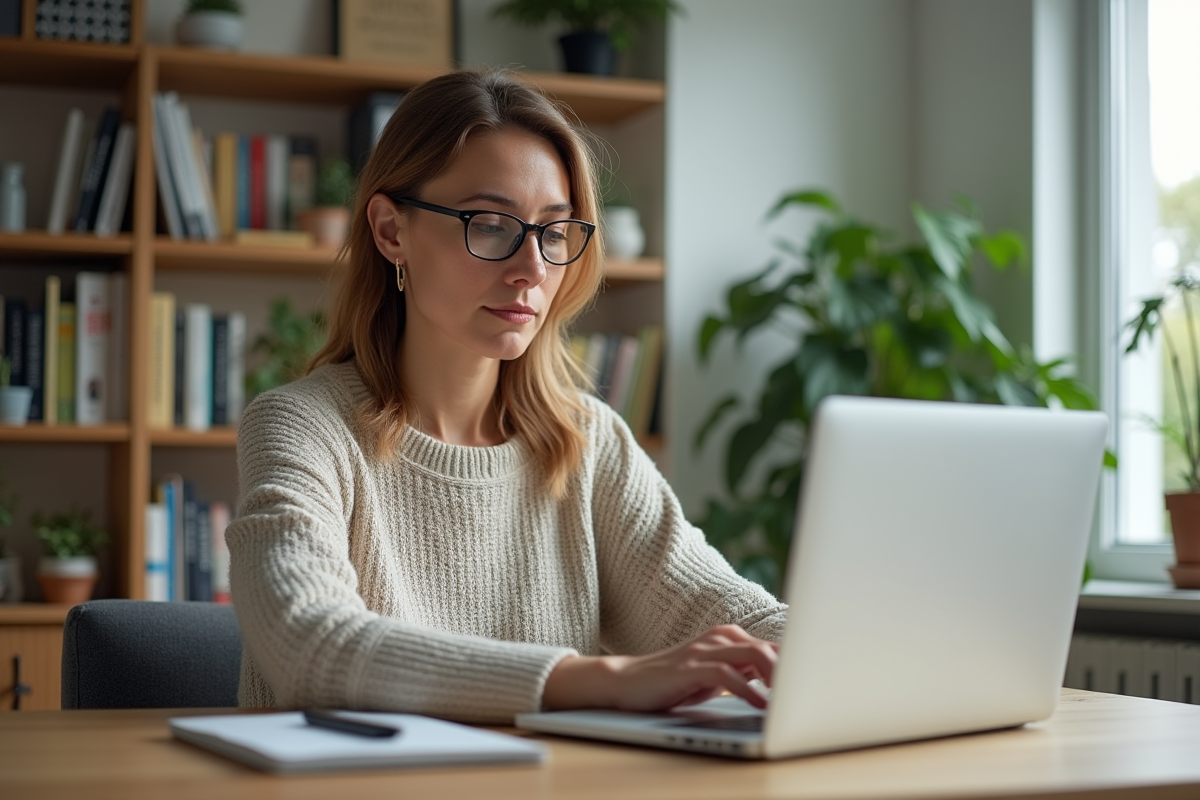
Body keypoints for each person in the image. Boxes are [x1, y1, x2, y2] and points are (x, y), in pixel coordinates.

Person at [226, 69, 787, 724]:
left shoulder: (587, 442)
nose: (533, 270)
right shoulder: (302, 427)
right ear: (390, 232)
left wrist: (845, 651)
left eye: (554, 232)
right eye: (490, 225)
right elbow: (309, 646)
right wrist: (599, 678)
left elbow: (736, 617)